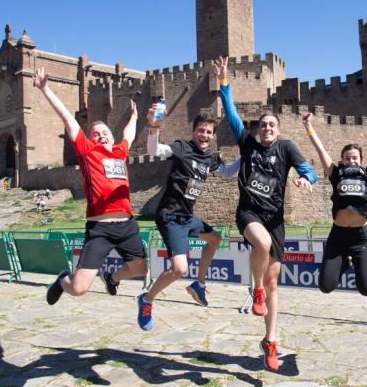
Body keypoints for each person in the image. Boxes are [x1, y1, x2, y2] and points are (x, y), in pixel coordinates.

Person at [216, 56, 318, 371]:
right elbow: (232, 115)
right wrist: (224, 84)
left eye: (272, 125)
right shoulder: (247, 143)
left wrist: (305, 179)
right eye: (263, 125)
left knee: (275, 282)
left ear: (278, 129)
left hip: (276, 220)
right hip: (249, 213)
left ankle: (270, 341)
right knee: (260, 244)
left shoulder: (286, 148)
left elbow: (309, 170)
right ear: (258, 130)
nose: (267, 128)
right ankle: (255, 289)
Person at [33, 67, 147, 306]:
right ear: (90, 139)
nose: (101, 136)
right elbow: (68, 119)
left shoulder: (119, 152)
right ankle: (63, 279)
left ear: (111, 137)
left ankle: (112, 278)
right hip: (100, 229)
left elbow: (128, 133)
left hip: (126, 224)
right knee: (78, 288)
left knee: (140, 269)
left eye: (105, 132)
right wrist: (45, 89)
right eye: (96, 134)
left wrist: (135, 117)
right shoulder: (87, 151)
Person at [130, 108, 240, 331]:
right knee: (179, 268)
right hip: (169, 217)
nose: (205, 135)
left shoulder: (210, 157)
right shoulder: (182, 148)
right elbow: (155, 150)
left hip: (188, 218)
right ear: (193, 131)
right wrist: (153, 127)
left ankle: (198, 284)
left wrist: (244, 156)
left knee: (215, 239)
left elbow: (227, 173)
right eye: (201, 130)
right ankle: (147, 299)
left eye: (209, 132)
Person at [302, 105, 367, 298]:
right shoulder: (336, 174)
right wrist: (308, 125)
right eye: (347, 158)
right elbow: (320, 149)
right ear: (342, 160)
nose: (351, 161)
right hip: (338, 237)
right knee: (326, 286)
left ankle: (359, 261)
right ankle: (345, 262)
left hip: (361, 238)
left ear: (360, 159)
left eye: (355, 158)